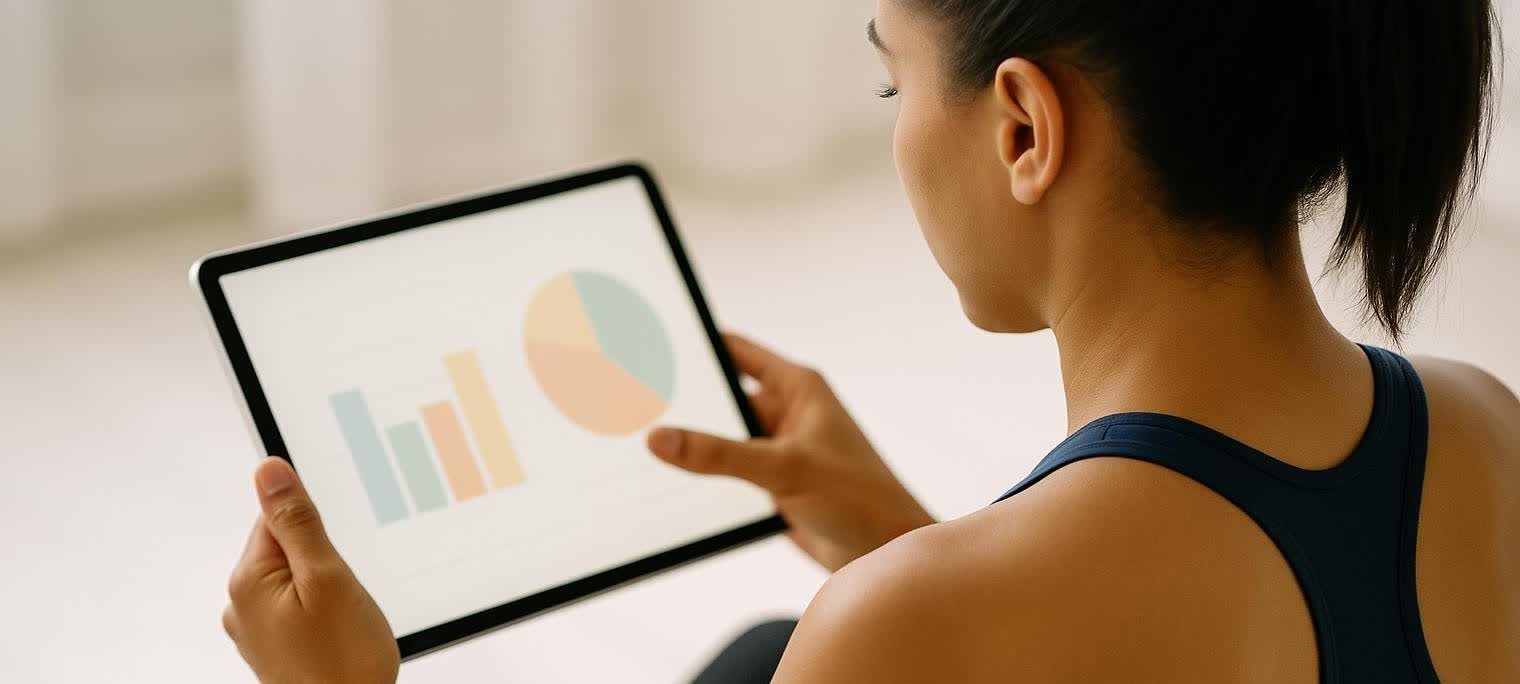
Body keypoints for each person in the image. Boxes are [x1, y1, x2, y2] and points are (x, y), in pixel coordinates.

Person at [220, 0, 1517, 681]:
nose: (898, 126)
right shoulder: (1485, 428)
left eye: (896, 78)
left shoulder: (904, 632)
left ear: (1023, 127)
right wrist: (902, 536)